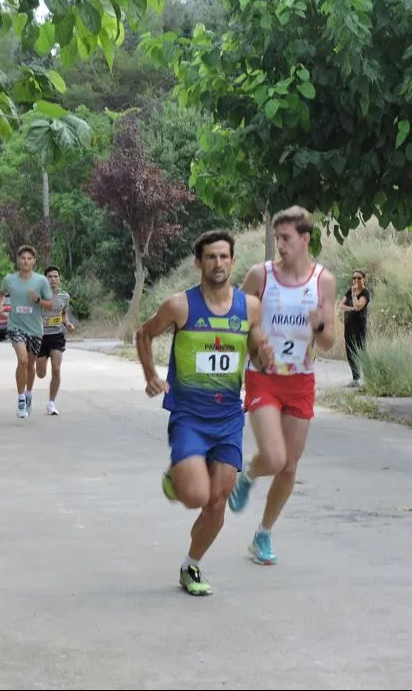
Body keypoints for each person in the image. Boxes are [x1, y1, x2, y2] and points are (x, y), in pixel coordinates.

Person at [136, 230, 271, 596]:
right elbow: (144, 334)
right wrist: (151, 375)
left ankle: (191, 566)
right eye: (210, 257)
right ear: (198, 263)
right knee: (196, 495)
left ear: (232, 260)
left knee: (217, 500)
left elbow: (256, 348)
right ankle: (177, 479)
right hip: (189, 417)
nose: (218, 263)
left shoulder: (250, 307)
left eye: (224, 256)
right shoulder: (180, 306)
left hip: (227, 418)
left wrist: (263, 354)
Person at [226, 206, 338, 566]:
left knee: (289, 466)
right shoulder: (261, 275)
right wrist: (256, 344)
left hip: (300, 380)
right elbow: (235, 317)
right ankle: (248, 475)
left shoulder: (324, 281)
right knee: (274, 457)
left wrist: (320, 326)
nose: (280, 245)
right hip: (264, 376)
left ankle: (263, 534)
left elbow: (329, 342)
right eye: (277, 238)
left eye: (286, 238)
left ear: (305, 239)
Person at [0, 246, 53, 419]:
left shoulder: (41, 281)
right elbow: (1, 293)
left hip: (35, 329)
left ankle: (29, 393)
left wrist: (37, 300)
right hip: (16, 326)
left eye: (29, 258)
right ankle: (21, 398)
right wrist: (0, 306)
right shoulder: (9, 279)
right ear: (18, 260)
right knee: (22, 360)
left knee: (30, 365)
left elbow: (51, 304)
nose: (26, 261)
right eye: (23, 258)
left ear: (34, 261)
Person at [37, 265, 77, 416]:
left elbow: (64, 312)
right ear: (45, 279)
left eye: (55, 276)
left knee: (57, 369)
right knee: (41, 373)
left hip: (57, 336)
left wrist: (67, 323)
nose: (53, 279)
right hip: (40, 337)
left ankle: (51, 403)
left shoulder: (64, 296)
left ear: (59, 279)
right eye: (50, 277)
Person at [340, 270, 370, 386]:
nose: (356, 280)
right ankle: (355, 378)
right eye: (354, 278)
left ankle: (368, 376)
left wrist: (353, 296)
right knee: (350, 351)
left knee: (361, 350)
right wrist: (351, 308)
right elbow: (341, 305)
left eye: (359, 278)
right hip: (349, 325)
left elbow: (358, 306)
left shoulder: (365, 293)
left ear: (363, 279)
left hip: (359, 326)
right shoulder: (350, 291)